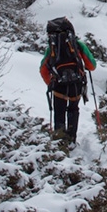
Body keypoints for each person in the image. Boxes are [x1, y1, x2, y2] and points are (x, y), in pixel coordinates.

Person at [39, 17, 96, 145]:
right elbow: (92, 66)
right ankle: (71, 140)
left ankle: (59, 141)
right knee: (73, 109)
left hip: (58, 85)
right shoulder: (77, 44)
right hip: (76, 85)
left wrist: (51, 83)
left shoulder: (52, 48)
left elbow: (43, 69)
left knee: (59, 112)